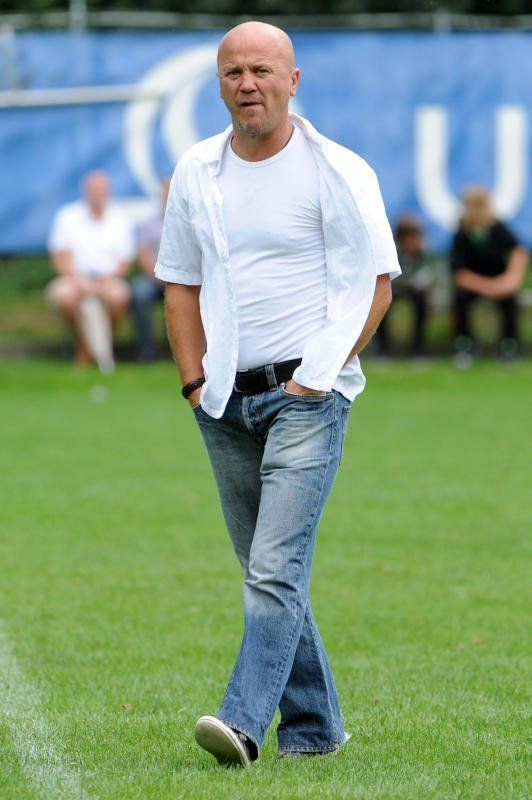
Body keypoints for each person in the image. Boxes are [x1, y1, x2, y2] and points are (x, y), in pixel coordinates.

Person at [156, 22, 400, 767]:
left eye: (262, 70)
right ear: (219, 85)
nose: (247, 84)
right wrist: (194, 383)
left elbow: (378, 286)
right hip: (224, 401)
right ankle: (317, 729)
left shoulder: (339, 171)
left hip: (308, 399)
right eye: (233, 72)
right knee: (271, 572)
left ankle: (241, 725)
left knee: (271, 571)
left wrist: (319, 374)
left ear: (293, 81)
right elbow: (179, 283)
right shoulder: (197, 170)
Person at [47, 170, 134, 370]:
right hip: (74, 278)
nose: (97, 194)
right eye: (93, 190)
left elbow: (125, 260)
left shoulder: (120, 218)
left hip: (109, 279)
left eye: (101, 190)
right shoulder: (67, 216)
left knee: (119, 297)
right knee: (65, 296)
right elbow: (60, 256)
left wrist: (105, 281)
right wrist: (78, 281)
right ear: (85, 191)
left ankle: (86, 352)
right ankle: (90, 347)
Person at [450, 186, 528, 365]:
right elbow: (460, 274)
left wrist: (510, 280)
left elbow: (518, 251)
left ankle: (508, 345)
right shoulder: (462, 234)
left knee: (510, 300)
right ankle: (464, 345)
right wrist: (489, 287)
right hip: (474, 285)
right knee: (461, 299)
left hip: (499, 281)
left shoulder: (499, 229)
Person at [377, 214, 433, 357]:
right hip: (393, 290)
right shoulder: (390, 252)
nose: (416, 241)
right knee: (381, 300)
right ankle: (382, 349)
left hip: (415, 291)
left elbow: (430, 275)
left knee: (422, 301)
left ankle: (418, 349)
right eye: (412, 237)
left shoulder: (423, 253)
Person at [131, 177, 171, 361]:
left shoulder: (190, 222)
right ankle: (146, 350)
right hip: (154, 278)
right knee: (139, 293)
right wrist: (159, 275)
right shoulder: (149, 224)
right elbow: (142, 253)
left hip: (183, 279)